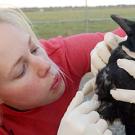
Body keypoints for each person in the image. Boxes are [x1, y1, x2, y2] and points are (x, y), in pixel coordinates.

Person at [0, 7, 126, 135]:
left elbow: (126, 34)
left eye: (34, 49)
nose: (46, 65)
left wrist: (115, 47)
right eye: (21, 71)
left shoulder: (58, 55)